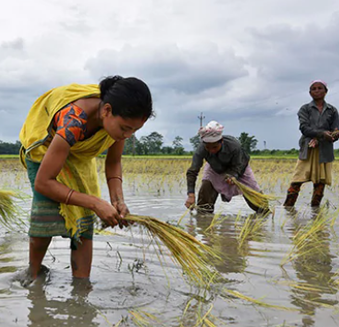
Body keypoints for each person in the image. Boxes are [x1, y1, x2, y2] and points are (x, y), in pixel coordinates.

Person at [19, 75, 153, 280]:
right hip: (45, 153)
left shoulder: (117, 126)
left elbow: (113, 163)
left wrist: (118, 201)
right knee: (44, 216)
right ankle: (33, 275)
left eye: (134, 131)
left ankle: (81, 288)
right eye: (126, 128)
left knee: (83, 225)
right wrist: (96, 203)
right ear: (107, 110)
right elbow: (43, 183)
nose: (128, 135)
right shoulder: (74, 120)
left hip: (79, 156)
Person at [184, 120, 267, 214]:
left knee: (261, 206)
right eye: (208, 148)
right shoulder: (201, 149)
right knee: (205, 198)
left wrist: (233, 175)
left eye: (215, 147)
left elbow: (240, 164)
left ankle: (264, 212)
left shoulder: (234, 146)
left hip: (239, 167)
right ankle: (203, 220)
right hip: (215, 168)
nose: (211, 151)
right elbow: (192, 171)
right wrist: (191, 195)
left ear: (221, 141)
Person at [283, 80, 339, 208]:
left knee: (320, 184)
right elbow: (304, 129)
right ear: (310, 93)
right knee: (296, 181)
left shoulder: (332, 110)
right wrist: (322, 134)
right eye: (314, 89)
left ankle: (315, 213)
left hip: (324, 150)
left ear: (326, 91)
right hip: (308, 148)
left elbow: (335, 130)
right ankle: (288, 209)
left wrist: (336, 134)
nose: (317, 91)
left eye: (320, 88)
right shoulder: (305, 109)